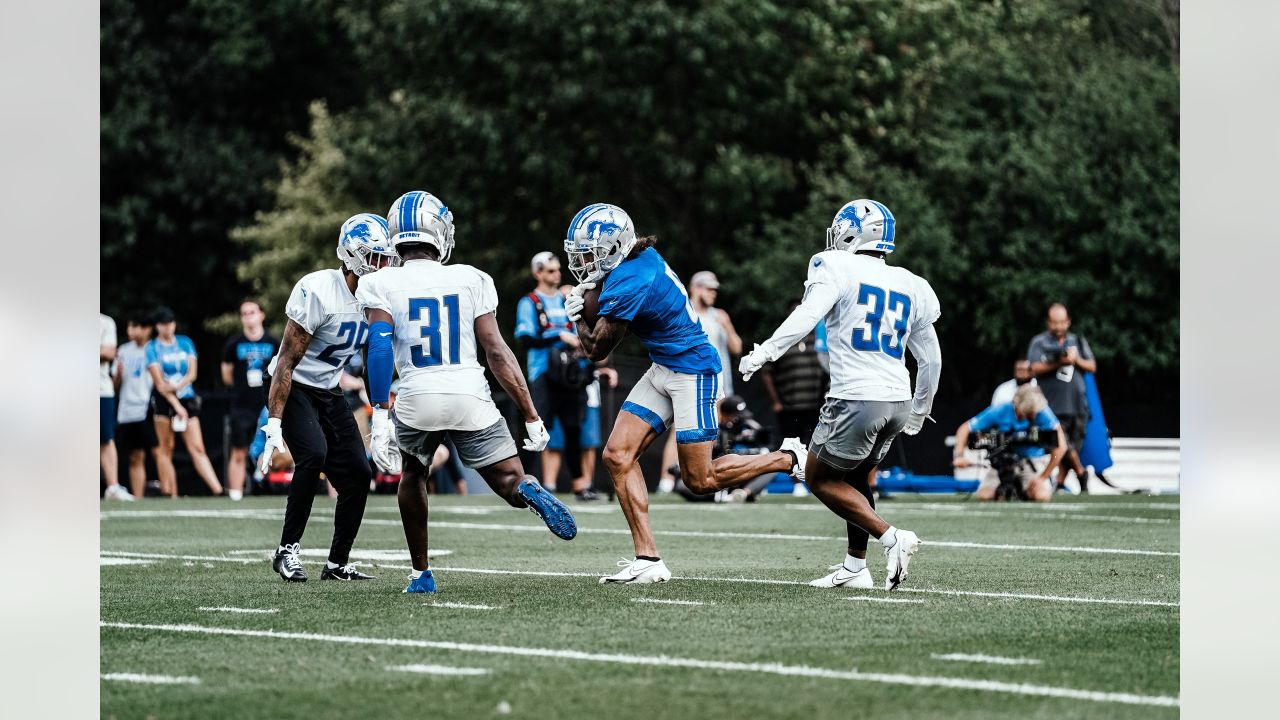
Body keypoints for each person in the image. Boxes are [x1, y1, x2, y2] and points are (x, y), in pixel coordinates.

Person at [563, 203, 802, 584]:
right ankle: (648, 558)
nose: (584, 262)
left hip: (694, 371)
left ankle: (787, 458)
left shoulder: (631, 278)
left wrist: (577, 317)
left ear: (613, 247)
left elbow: (596, 350)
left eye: (590, 253)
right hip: (663, 366)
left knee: (701, 480)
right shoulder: (636, 257)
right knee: (618, 455)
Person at [360, 190, 576, 594]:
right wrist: (530, 414)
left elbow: (378, 345)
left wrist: (379, 413)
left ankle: (421, 573)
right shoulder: (471, 277)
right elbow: (497, 351)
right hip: (470, 395)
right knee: (510, 479)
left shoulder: (379, 281)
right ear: (438, 232)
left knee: (414, 475)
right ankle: (526, 488)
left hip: (416, 396)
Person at [739, 199, 940, 591]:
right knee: (858, 477)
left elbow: (806, 316)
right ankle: (855, 567)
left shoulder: (833, 264)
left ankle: (891, 537)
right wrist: (920, 409)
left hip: (856, 398)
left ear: (852, 232)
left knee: (818, 478)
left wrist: (765, 352)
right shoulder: (912, 282)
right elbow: (930, 359)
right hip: (897, 399)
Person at [258, 213, 399, 583]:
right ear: (351, 255)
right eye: (374, 256)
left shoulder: (378, 299)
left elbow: (373, 364)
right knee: (313, 454)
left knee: (358, 473)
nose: (382, 265)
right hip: (292, 385)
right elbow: (286, 362)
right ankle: (287, 550)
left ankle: (336, 564)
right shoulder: (318, 289)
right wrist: (274, 423)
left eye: (385, 257)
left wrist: (381, 414)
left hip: (327, 389)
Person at [514, 251, 591, 499]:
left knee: (573, 429)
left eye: (558, 270)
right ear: (537, 273)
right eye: (550, 270)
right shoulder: (529, 302)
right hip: (543, 374)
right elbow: (526, 339)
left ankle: (580, 485)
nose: (556, 274)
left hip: (569, 375)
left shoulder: (564, 299)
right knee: (536, 427)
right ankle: (518, 483)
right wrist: (557, 336)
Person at [146, 307, 224, 498]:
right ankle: (169, 492)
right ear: (158, 326)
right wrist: (176, 404)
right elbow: (160, 384)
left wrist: (179, 386)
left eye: (171, 322)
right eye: (164, 323)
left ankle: (218, 490)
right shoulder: (152, 347)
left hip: (186, 397)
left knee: (197, 447)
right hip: (165, 401)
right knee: (166, 447)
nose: (168, 327)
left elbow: (192, 373)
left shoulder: (185, 342)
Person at [952, 385, 1068, 503]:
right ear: (1017, 404)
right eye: (1029, 412)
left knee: (1041, 496)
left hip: (1032, 461)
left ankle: (1024, 489)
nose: (1033, 416)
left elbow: (1061, 447)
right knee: (984, 496)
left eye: (1034, 412)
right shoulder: (1001, 410)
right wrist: (959, 456)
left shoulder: (1042, 411)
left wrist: (1043, 477)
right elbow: (965, 428)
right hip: (1002, 464)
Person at [1027, 303, 1097, 492]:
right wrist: (1059, 362)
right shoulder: (1039, 342)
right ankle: (1081, 473)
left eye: (1062, 322)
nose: (1058, 327)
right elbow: (1033, 368)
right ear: (1048, 323)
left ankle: (1059, 482)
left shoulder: (1078, 341)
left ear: (1068, 322)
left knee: (1072, 446)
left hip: (1077, 404)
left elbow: (1092, 366)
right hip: (1051, 405)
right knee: (1062, 444)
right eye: (1054, 323)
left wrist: (1075, 360)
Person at [221, 298, 279, 501]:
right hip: (241, 404)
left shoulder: (273, 342)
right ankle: (236, 494)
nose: (248, 317)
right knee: (238, 449)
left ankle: (270, 488)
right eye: (244, 313)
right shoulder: (233, 344)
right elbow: (227, 375)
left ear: (262, 314)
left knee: (272, 448)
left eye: (252, 312)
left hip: (267, 405)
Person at [759, 298, 830, 444]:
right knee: (791, 448)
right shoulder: (781, 337)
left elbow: (831, 365)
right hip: (789, 407)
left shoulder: (819, 336)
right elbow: (766, 371)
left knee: (815, 447)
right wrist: (776, 401)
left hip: (817, 406)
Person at [114, 312, 157, 498]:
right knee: (135, 456)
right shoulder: (122, 351)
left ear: (147, 329)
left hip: (149, 408)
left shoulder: (155, 349)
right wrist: (117, 376)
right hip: (127, 410)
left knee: (158, 452)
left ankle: (172, 494)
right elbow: (115, 386)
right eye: (129, 326)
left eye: (135, 326)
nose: (130, 330)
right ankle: (138, 497)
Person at [100, 313, 133, 501]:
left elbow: (108, 352)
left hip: (100, 390)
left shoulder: (105, 322)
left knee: (105, 439)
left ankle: (112, 486)